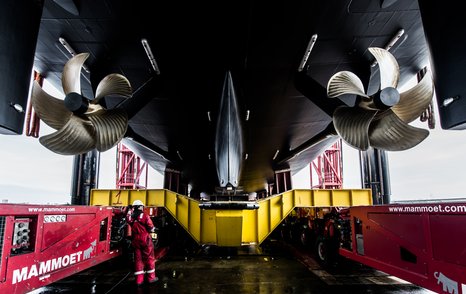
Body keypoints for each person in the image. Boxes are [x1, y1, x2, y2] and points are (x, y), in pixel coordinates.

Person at [126, 199, 158, 286]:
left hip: (135, 239)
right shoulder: (145, 216)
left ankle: (139, 280)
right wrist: (154, 229)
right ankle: (151, 278)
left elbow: (127, 217)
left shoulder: (130, 217)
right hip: (145, 239)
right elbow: (151, 228)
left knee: (138, 259)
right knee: (149, 258)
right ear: (140, 207)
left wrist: (129, 210)